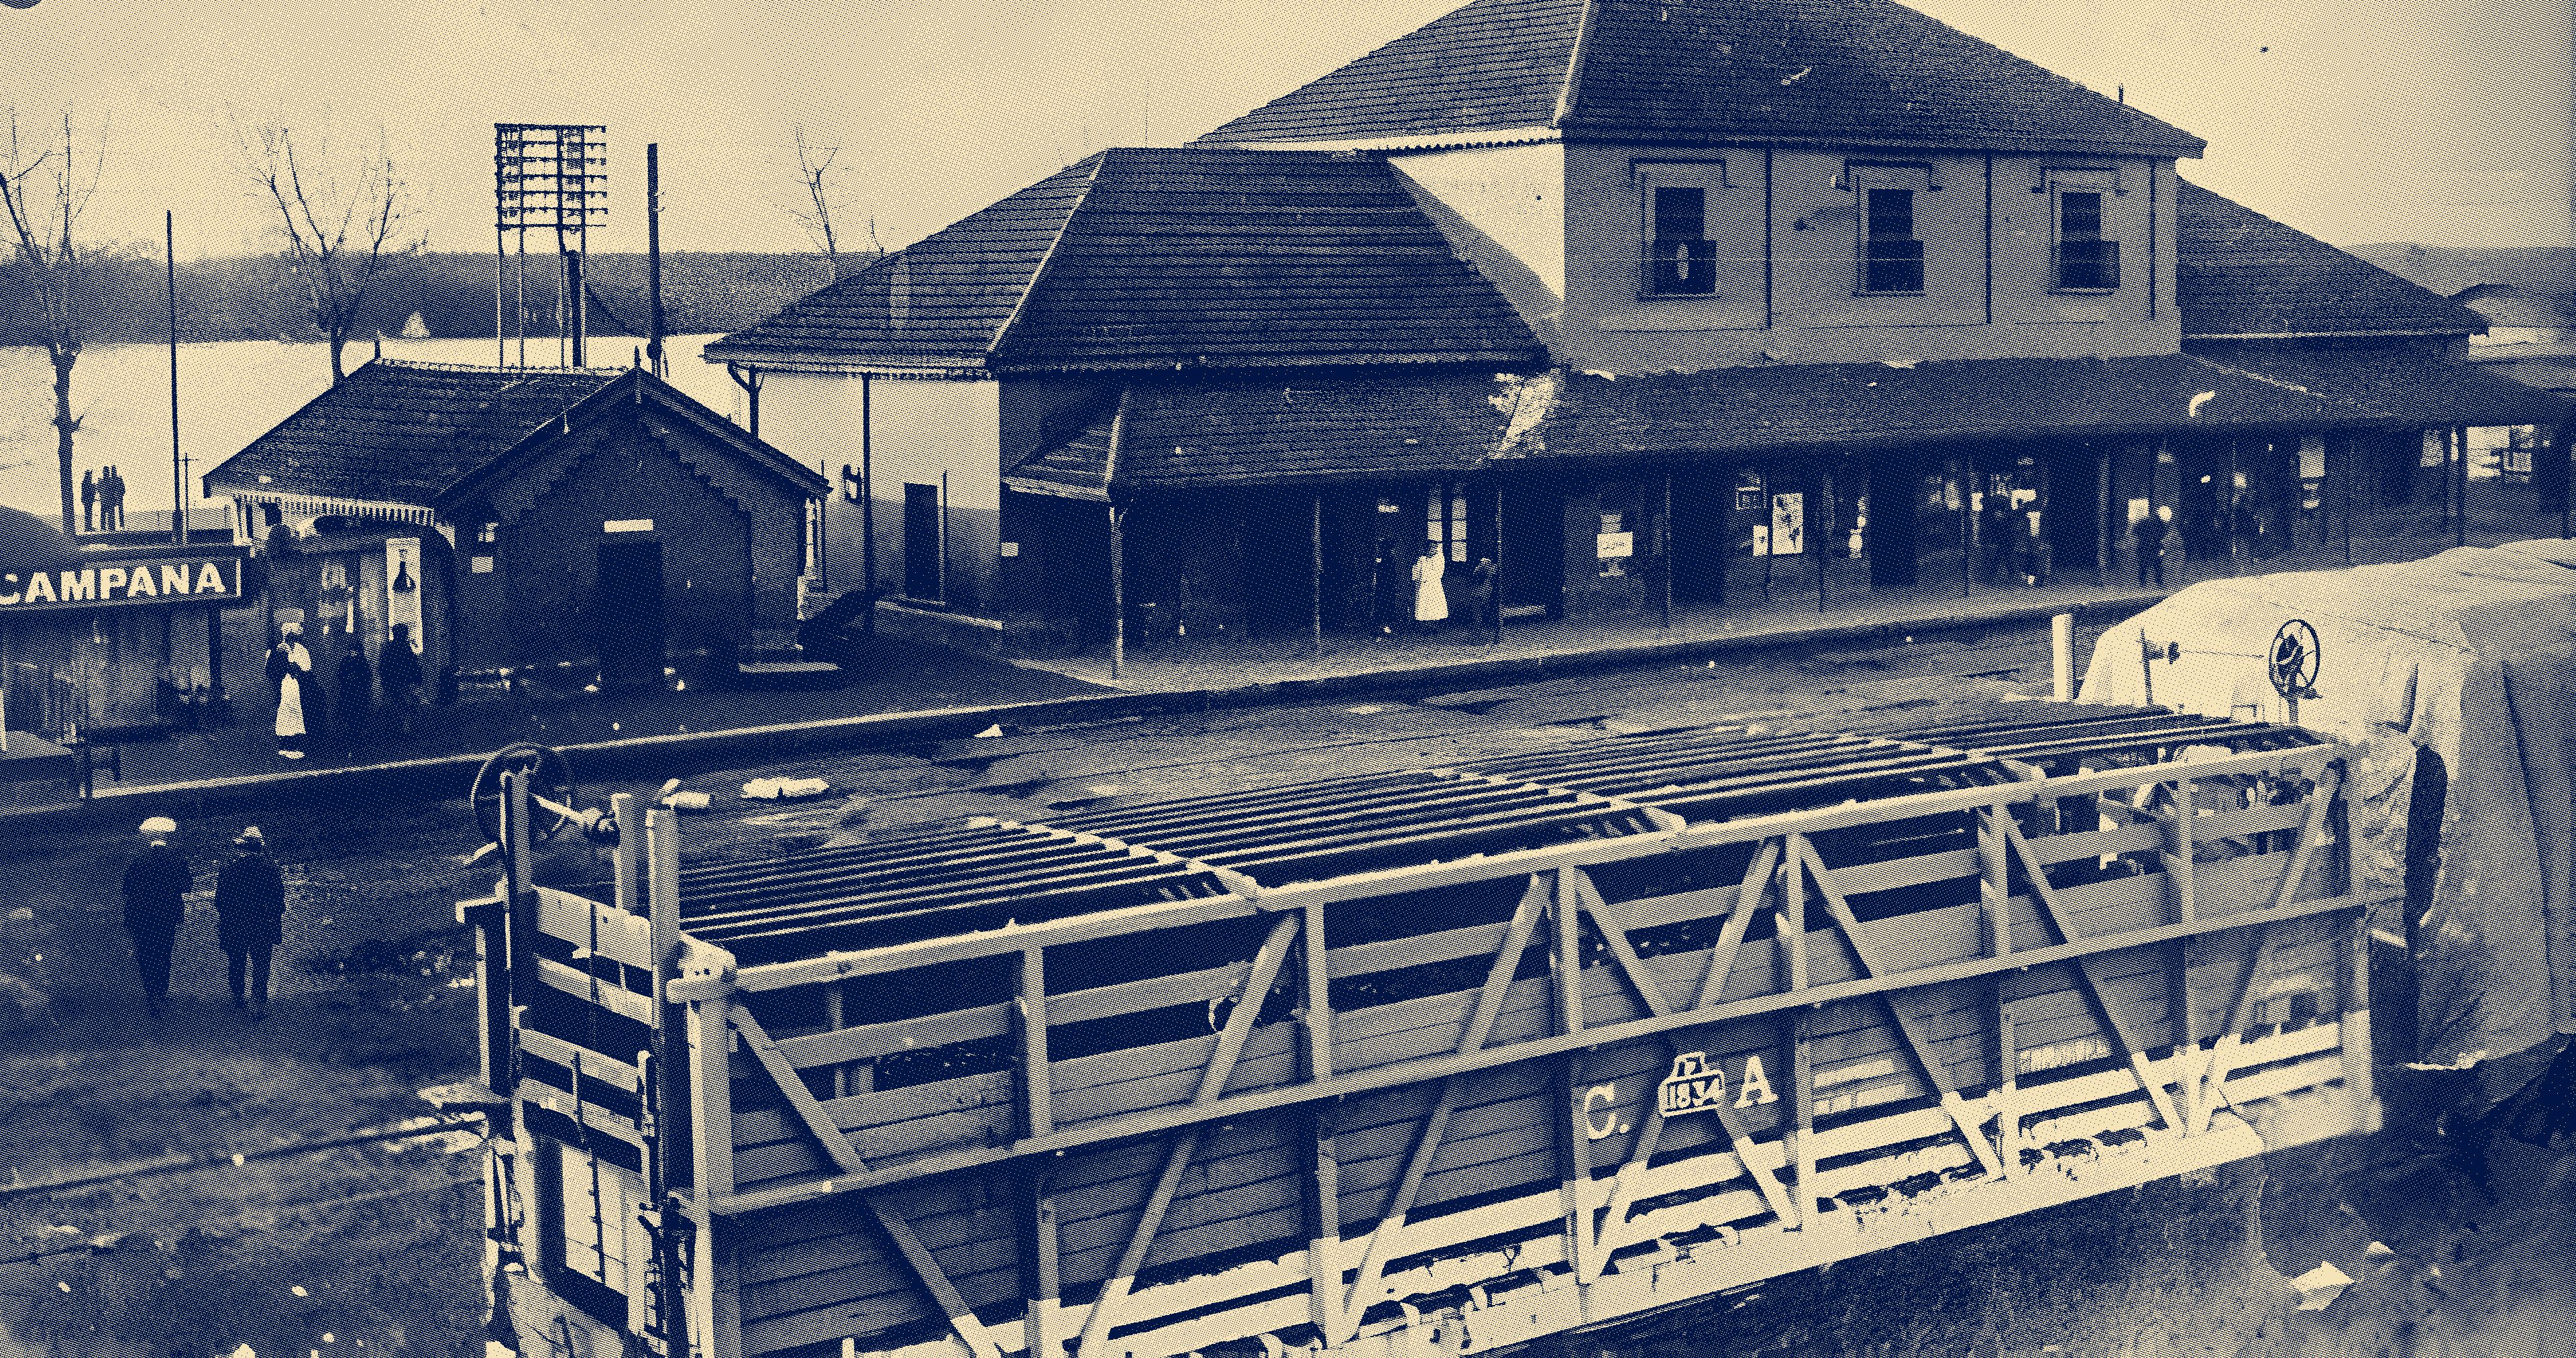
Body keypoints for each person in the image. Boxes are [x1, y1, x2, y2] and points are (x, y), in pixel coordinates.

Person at [120, 817, 191, 1018]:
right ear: (168, 837)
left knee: (145, 955)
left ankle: (151, 994)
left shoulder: (137, 861)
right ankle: (161, 992)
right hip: (167, 916)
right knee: (164, 954)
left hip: (142, 917)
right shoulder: (176, 860)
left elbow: (128, 888)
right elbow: (187, 885)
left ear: (147, 838)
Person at [214, 826, 285, 1018]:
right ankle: (259, 999)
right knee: (261, 964)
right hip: (263, 925)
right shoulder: (271, 869)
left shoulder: (229, 869)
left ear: (243, 848)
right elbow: (279, 902)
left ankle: (238, 1000)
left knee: (236, 963)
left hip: (236, 924)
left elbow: (220, 901)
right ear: (260, 847)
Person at [267, 625, 314, 760]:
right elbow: (271, 670)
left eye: (294, 636)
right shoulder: (278, 650)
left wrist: (292, 661)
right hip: (284, 686)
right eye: (288, 636)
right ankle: (285, 746)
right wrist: (279, 655)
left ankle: (297, 746)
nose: (290, 639)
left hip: (298, 686)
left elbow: (306, 669)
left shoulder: (301, 650)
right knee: (284, 715)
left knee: (298, 716)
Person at [380, 623, 425, 737]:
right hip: (402, 684)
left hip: (396, 684)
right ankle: (404, 729)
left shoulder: (391, 648)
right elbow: (412, 665)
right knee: (404, 707)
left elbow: (384, 668)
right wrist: (417, 678)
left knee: (400, 707)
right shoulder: (403, 647)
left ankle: (400, 729)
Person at [335, 643, 374, 745]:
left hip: (356, 695)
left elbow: (368, 678)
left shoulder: (360, 662)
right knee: (350, 718)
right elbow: (341, 677)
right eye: (352, 651)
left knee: (357, 718)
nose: (353, 653)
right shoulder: (353, 662)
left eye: (355, 651)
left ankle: (356, 738)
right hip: (351, 695)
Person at [1411, 541, 1449, 633]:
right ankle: (1424, 627)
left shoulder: (1439, 559)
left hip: (1435, 585)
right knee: (1424, 606)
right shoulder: (1422, 559)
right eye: (1431, 548)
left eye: (1434, 548)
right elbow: (1415, 574)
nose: (1432, 550)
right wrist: (1418, 580)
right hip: (1423, 586)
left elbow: (1440, 572)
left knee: (1435, 606)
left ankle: (1435, 627)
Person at [2133, 506, 2171, 586]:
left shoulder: (2144, 521)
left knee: (2143, 565)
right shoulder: (2162, 525)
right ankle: (2159, 582)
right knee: (2157, 565)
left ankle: (2143, 583)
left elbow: (2135, 531)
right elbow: (2163, 536)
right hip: (2155, 547)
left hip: (2143, 546)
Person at [79, 470, 96, 534]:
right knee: (88, 513)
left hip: (87, 500)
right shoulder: (86, 483)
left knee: (88, 513)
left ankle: (88, 526)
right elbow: (89, 491)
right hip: (88, 500)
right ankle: (88, 527)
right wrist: (93, 487)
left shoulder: (85, 482)